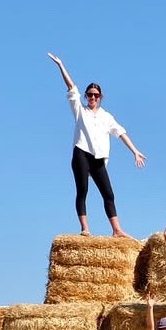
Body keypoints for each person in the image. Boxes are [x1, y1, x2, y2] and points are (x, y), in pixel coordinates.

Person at [47, 53, 146, 238]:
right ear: (86, 96)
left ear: (100, 97)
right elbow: (71, 87)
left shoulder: (107, 117)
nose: (92, 97)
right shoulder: (79, 110)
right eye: (90, 94)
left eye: (96, 95)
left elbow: (121, 133)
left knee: (109, 194)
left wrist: (135, 151)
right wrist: (61, 65)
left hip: (98, 157)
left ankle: (117, 230)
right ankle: (85, 228)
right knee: (83, 190)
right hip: (81, 153)